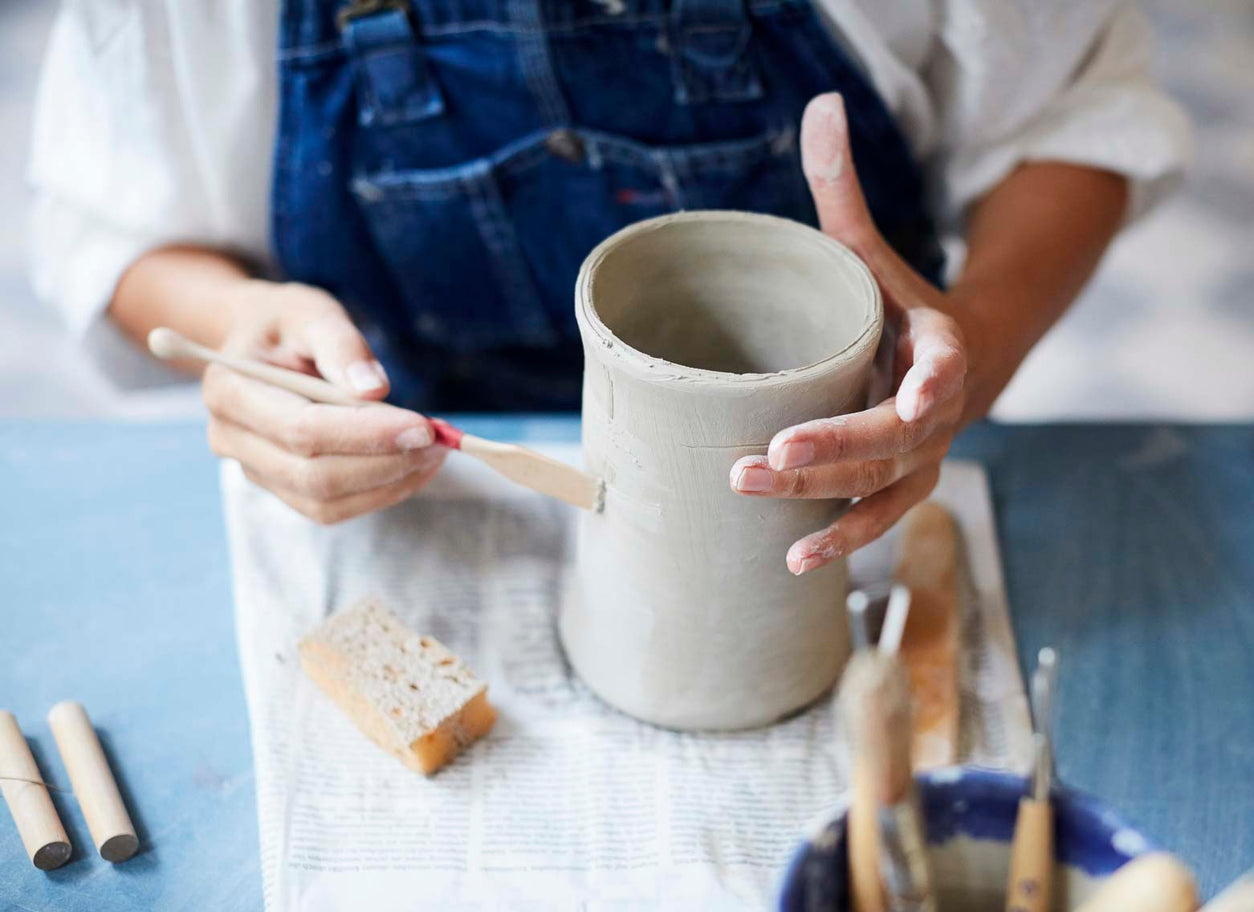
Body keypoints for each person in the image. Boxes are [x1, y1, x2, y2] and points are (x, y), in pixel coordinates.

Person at [30, 0, 1189, 573]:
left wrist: (971, 341)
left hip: (832, 503)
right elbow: (117, 228)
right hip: (406, 478)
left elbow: (1070, 114)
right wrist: (238, 325)